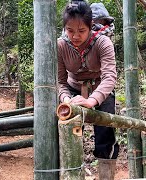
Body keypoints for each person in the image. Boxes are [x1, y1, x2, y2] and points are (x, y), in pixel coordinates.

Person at [57, 1, 118, 179]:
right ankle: (71, 174)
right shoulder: (61, 45)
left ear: (90, 26)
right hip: (73, 90)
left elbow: (109, 78)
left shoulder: (103, 42)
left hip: (101, 91)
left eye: (81, 30)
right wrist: (66, 99)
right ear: (64, 28)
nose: (75, 36)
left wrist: (92, 100)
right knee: (68, 133)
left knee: (105, 135)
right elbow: (60, 81)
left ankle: (107, 176)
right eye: (70, 30)